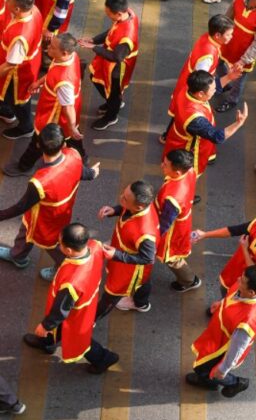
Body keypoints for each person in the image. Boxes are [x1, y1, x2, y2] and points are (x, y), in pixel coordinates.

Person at [0, 123, 97, 276]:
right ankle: (17, 255)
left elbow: (21, 206)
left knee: (52, 244)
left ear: (38, 145)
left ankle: (62, 268)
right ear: (63, 144)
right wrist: (92, 173)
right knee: (26, 233)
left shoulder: (40, 181)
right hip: (62, 211)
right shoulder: (73, 154)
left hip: (45, 218)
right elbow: (82, 172)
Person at [22, 223, 118, 374]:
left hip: (76, 314)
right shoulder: (95, 245)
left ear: (68, 250)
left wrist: (45, 326)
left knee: (79, 340)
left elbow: (61, 310)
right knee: (67, 332)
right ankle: (48, 341)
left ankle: (103, 358)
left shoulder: (72, 282)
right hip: (86, 301)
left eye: (60, 243)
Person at [186, 265, 256, 398]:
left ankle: (234, 383)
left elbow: (237, 348)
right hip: (216, 336)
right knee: (205, 368)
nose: (238, 280)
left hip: (221, 349)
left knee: (204, 369)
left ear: (252, 292)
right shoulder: (244, 290)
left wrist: (223, 369)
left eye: (243, 281)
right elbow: (232, 296)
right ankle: (210, 380)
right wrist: (221, 303)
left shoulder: (248, 321)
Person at [4, 33, 86, 176]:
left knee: (39, 141)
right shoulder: (71, 58)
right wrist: (39, 82)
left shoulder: (64, 80)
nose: (48, 47)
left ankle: (24, 166)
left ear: (64, 52)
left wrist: (71, 126)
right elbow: (53, 72)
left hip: (53, 117)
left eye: (52, 47)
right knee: (72, 138)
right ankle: (82, 158)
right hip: (62, 116)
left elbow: (67, 106)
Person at [164, 71, 248, 175]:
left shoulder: (188, 89)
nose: (215, 90)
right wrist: (238, 123)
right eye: (213, 89)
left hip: (177, 135)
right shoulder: (195, 119)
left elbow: (211, 86)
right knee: (187, 175)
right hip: (188, 148)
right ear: (200, 94)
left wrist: (229, 77)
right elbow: (217, 136)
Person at [95, 180, 158, 317]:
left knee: (111, 296)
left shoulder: (145, 233)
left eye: (125, 198)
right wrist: (115, 210)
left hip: (129, 269)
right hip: (122, 254)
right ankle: (141, 302)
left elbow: (147, 258)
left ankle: (93, 319)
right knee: (144, 281)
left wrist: (116, 255)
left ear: (140, 207)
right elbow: (126, 208)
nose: (120, 198)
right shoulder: (140, 205)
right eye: (123, 194)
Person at [79, 0, 139, 130]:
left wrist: (93, 47)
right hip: (108, 63)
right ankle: (113, 102)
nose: (107, 16)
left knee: (113, 91)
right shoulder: (127, 14)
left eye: (108, 13)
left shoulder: (127, 36)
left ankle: (111, 115)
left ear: (118, 14)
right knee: (96, 79)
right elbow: (112, 31)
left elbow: (116, 57)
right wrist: (94, 40)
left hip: (117, 69)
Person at [193, 212, 256, 297]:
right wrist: (205, 234)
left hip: (246, 284)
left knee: (231, 297)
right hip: (236, 269)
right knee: (224, 289)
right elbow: (233, 230)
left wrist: (245, 249)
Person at [217, 0, 256, 111]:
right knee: (218, 63)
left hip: (244, 53)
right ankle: (225, 84)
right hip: (229, 43)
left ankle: (232, 101)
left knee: (238, 81)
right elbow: (227, 17)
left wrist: (243, 61)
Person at [154, 149, 200, 292]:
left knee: (173, 258)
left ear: (178, 172)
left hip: (174, 231)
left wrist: (154, 238)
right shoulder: (190, 171)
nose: (162, 165)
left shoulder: (172, 198)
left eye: (166, 165)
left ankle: (189, 280)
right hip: (183, 218)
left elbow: (165, 223)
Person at [0, 0, 43, 139]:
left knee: (19, 100)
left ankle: (26, 127)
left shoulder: (20, 36)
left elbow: (11, 64)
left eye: (9, 0)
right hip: (30, 61)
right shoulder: (34, 10)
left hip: (18, 73)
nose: (6, 1)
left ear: (17, 8)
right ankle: (6, 111)